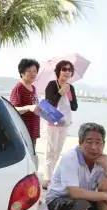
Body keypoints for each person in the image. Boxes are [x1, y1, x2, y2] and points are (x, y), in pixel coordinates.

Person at [42, 60, 78, 189]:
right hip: (53, 121)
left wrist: (70, 95)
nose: (67, 72)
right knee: (50, 150)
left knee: (57, 151)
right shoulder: (52, 85)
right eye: (64, 69)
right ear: (58, 71)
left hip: (65, 123)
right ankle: (47, 178)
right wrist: (60, 92)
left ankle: (51, 176)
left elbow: (74, 107)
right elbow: (50, 103)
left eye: (69, 70)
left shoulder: (71, 87)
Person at [10, 58, 41, 150]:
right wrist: (28, 107)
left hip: (33, 130)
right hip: (23, 131)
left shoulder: (33, 88)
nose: (33, 74)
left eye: (35, 71)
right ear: (22, 73)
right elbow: (13, 110)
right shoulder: (18, 88)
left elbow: (34, 106)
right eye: (29, 71)